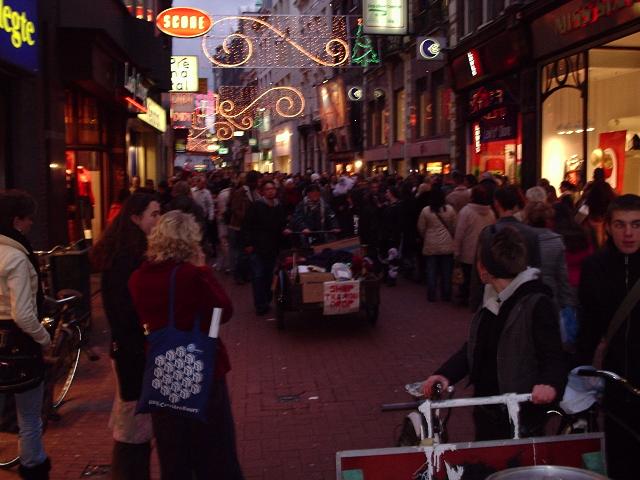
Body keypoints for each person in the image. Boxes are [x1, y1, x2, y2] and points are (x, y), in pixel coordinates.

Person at [128, 211, 244, 480]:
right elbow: (223, 310)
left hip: (164, 369)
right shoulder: (192, 275)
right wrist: (203, 270)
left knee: (173, 453)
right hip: (202, 367)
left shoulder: (137, 278)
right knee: (216, 450)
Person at [422, 226, 566, 440]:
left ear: (483, 268)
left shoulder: (537, 303)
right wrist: (445, 374)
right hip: (488, 411)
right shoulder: (493, 296)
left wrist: (549, 384)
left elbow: (554, 355)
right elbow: (475, 347)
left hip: (520, 417)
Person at [91, 192, 161, 480]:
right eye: (154, 214)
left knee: (133, 423)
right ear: (135, 217)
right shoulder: (129, 259)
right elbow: (126, 312)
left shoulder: (124, 252)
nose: (159, 220)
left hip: (129, 350)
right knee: (134, 427)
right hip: (133, 352)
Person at [576, 194, 640, 480]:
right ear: (609, 227)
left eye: (637, 224)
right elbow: (588, 326)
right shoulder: (594, 267)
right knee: (619, 458)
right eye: (621, 224)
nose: (629, 233)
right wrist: (579, 370)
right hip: (614, 383)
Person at [0, 190, 52, 479]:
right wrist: (43, 338)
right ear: (17, 220)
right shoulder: (17, 257)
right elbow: (23, 313)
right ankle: (33, 465)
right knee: (29, 416)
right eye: (28, 218)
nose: (31, 223)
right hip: (18, 343)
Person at [241, 181, 288, 315]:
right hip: (258, 247)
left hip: (272, 248)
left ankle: (266, 300)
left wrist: (284, 233)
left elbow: (281, 225)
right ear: (263, 192)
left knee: (268, 276)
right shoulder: (256, 206)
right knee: (258, 275)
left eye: (273, 189)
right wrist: (248, 244)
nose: (271, 191)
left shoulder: (279, 207)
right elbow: (246, 226)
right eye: (268, 189)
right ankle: (260, 305)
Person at [454, 185, 496, 305]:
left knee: (467, 277)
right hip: (484, 251)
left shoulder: (466, 211)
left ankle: (465, 297)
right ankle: (479, 299)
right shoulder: (491, 212)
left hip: (468, 250)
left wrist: (456, 252)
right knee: (482, 278)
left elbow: (459, 233)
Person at [417, 185, 457, 302]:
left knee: (431, 271)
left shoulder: (426, 211)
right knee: (446, 271)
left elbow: (421, 227)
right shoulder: (450, 210)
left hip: (431, 244)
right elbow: (455, 226)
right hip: (447, 243)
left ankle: (431, 294)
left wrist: (427, 236)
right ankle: (446, 294)